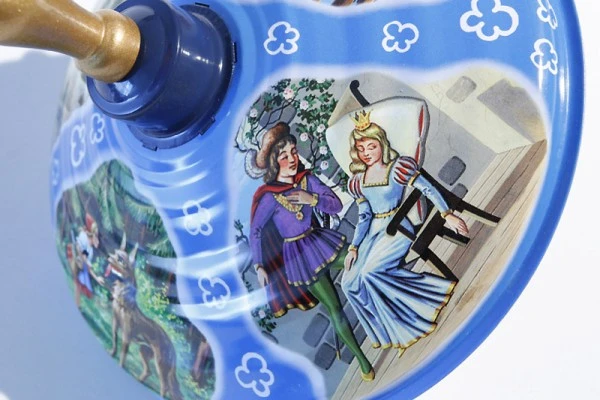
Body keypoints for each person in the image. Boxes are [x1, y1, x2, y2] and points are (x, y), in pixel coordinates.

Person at [250, 122, 374, 381]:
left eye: (294, 152)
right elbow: (256, 231)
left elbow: (335, 205)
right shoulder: (269, 197)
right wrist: (259, 265)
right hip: (299, 258)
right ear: (274, 162)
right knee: (334, 308)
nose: (292, 159)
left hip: (320, 241)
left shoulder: (306, 180)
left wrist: (313, 199)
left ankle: (383, 321)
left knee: (365, 262)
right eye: (284, 156)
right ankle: (363, 362)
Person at [341, 111, 469, 351]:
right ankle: (389, 331)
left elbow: (427, 188)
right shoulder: (357, 181)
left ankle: (421, 309)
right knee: (348, 283)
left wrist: (447, 213)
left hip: (397, 228)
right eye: (361, 149)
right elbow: (364, 217)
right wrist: (354, 247)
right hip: (372, 234)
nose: (366, 153)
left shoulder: (397, 168)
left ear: (382, 144)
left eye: (371, 146)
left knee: (369, 273)